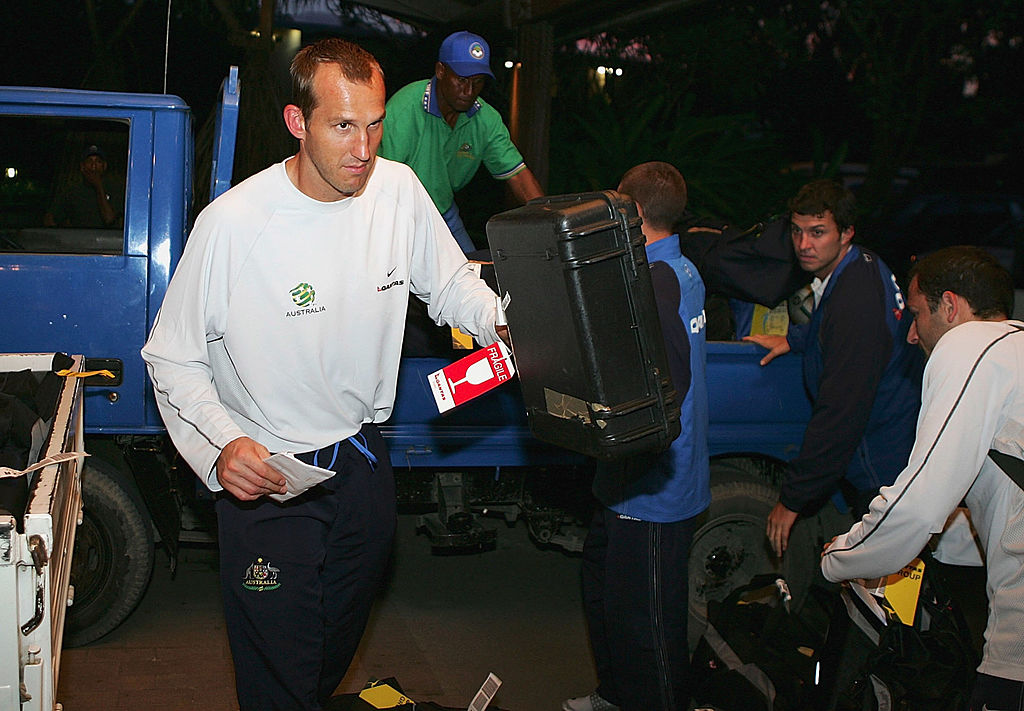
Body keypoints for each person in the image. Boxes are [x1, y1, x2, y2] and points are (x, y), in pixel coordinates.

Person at [140, 38, 504, 711]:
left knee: (331, 647)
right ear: (296, 122)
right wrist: (223, 444)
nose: (364, 149)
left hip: (363, 464)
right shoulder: (233, 224)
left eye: (374, 125)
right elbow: (171, 356)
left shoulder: (396, 191)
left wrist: (495, 319)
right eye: (342, 126)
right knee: (280, 672)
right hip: (269, 478)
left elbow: (451, 281)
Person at [821, 245, 1024, 711]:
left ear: (949, 306)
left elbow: (918, 500)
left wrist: (843, 556)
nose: (911, 335)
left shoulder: (969, 345)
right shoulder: (1015, 347)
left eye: (915, 314)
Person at [564, 162, 710, 711]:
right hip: (627, 484)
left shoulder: (656, 278)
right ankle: (614, 695)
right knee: (605, 592)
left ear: (637, 211)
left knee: (647, 625)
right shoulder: (679, 268)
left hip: (653, 490)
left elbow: (667, 381)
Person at [744, 179, 922, 562]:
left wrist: (791, 500)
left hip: (880, 467)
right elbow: (829, 322)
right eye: (797, 231)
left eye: (818, 232)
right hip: (887, 446)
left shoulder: (855, 305)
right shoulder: (860, 264)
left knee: (888, 591)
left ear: (846, 233)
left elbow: (840, 415)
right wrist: (797, 338)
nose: (804, 244)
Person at [378, 30, 543, 253]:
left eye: (478, 82)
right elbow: (378, 181)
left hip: (443, 211)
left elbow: (518, 176)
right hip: (396, 214)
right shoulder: (405, 108)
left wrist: (550, 222)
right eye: (462, 80)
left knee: (473, 277)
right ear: (441, 71)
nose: (469, 91)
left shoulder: (486, 119)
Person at [44, 144, 121, 228]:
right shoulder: (71, 192)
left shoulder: (115, 189)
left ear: (104, 166)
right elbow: (50, 219)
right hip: (80, 240)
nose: (93, 166)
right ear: (82, 167)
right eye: (89, 162)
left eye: (98, 162)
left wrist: (99, 187)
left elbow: (109, 219)